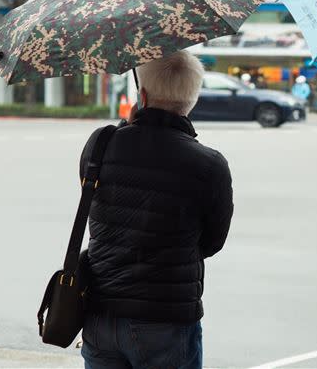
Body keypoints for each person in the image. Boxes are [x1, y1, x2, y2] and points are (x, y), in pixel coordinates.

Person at [79, 51, 234, 369]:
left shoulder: (101, 143)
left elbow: (100, 205)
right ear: (192, 99)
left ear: (142, 95)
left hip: (99, 314)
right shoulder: (209, 164)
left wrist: (129, 124)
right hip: (167, 320)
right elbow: (211, 243)